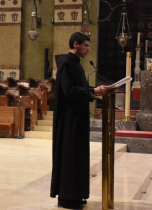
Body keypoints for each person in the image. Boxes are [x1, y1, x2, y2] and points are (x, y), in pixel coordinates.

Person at [50, 32, 109, 209]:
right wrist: (93, 92)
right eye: (86, 46)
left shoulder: (76, 65)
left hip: (77, 119)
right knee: (70, 158)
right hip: (69, 121)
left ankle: (76, 195)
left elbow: (79, 88)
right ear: (76, 44)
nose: (88, 50)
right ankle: (68, 197)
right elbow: (69, 91)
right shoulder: (67, 64)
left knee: (77, 157)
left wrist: (95, 90)